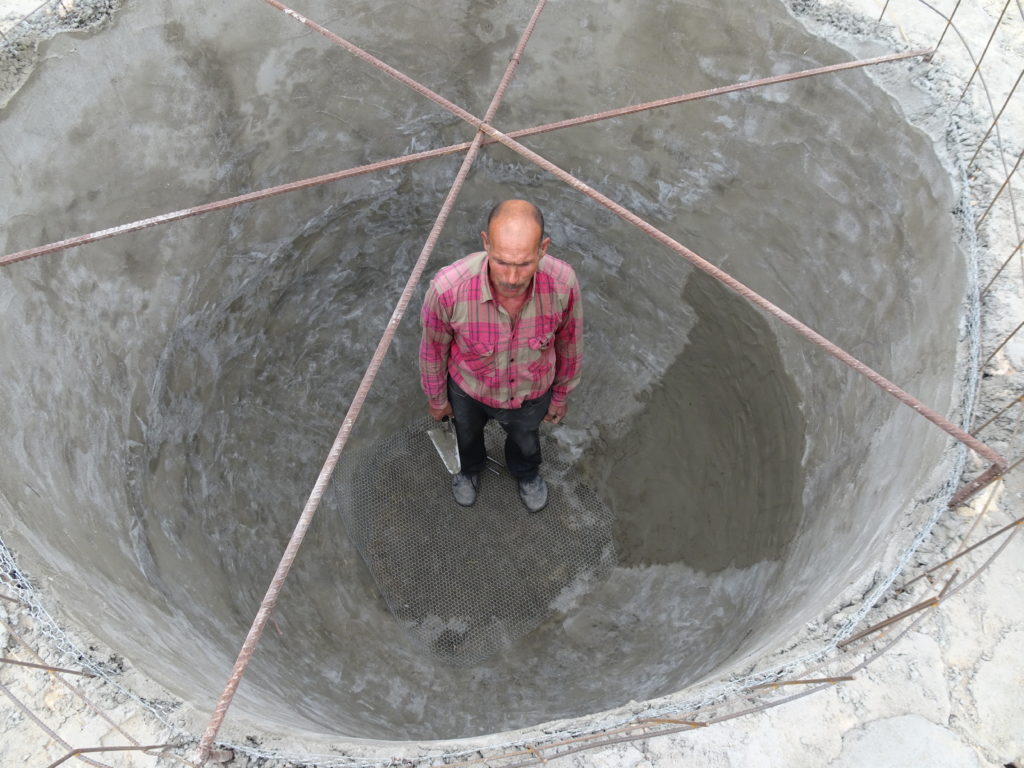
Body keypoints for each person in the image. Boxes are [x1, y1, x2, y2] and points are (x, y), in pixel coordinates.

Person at [419, 199, 583, 512]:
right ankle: (469, 470)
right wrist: (438, 399)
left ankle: (526, 473)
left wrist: (560, 396)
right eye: (501, 261)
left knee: (526, 440)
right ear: (485, 243)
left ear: (543, 249)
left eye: (524, 264)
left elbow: (569, 343)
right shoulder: (447, 289)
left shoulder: (563, 285)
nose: (511, 278)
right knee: (466, 437)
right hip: (469, 389)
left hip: (530, 393)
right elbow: (432, 349)